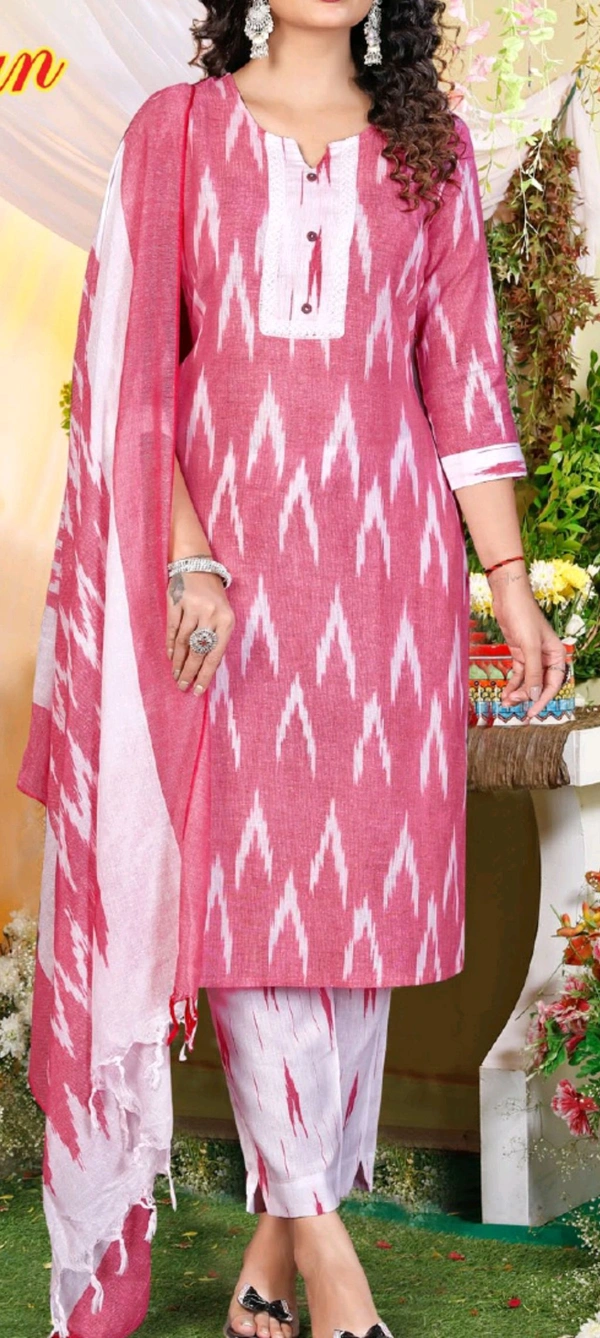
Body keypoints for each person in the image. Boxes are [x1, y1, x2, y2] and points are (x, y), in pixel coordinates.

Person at [17, 1, 567, 1336]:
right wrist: (187, 557)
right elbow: (134, 383)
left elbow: (466, 386)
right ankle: (332, 1257)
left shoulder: (430, 157)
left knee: (347, 920)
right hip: (229, 582)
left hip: (386, 585)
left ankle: (270, 1255)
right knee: (251, 904)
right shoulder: (178, 135)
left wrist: (507, 580)